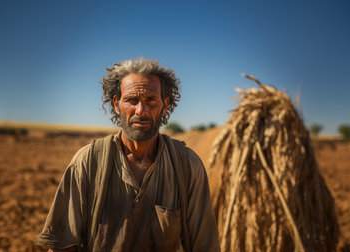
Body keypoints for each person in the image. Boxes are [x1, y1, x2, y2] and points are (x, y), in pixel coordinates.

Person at [35, 58, 220, 252]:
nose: (141, 110)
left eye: (151, 100)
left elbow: (205, 246)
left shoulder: (187, 166)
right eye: (132, 100)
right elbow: (62, 247)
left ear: (165, 105)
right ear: (116, 104)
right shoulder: (88, 162)